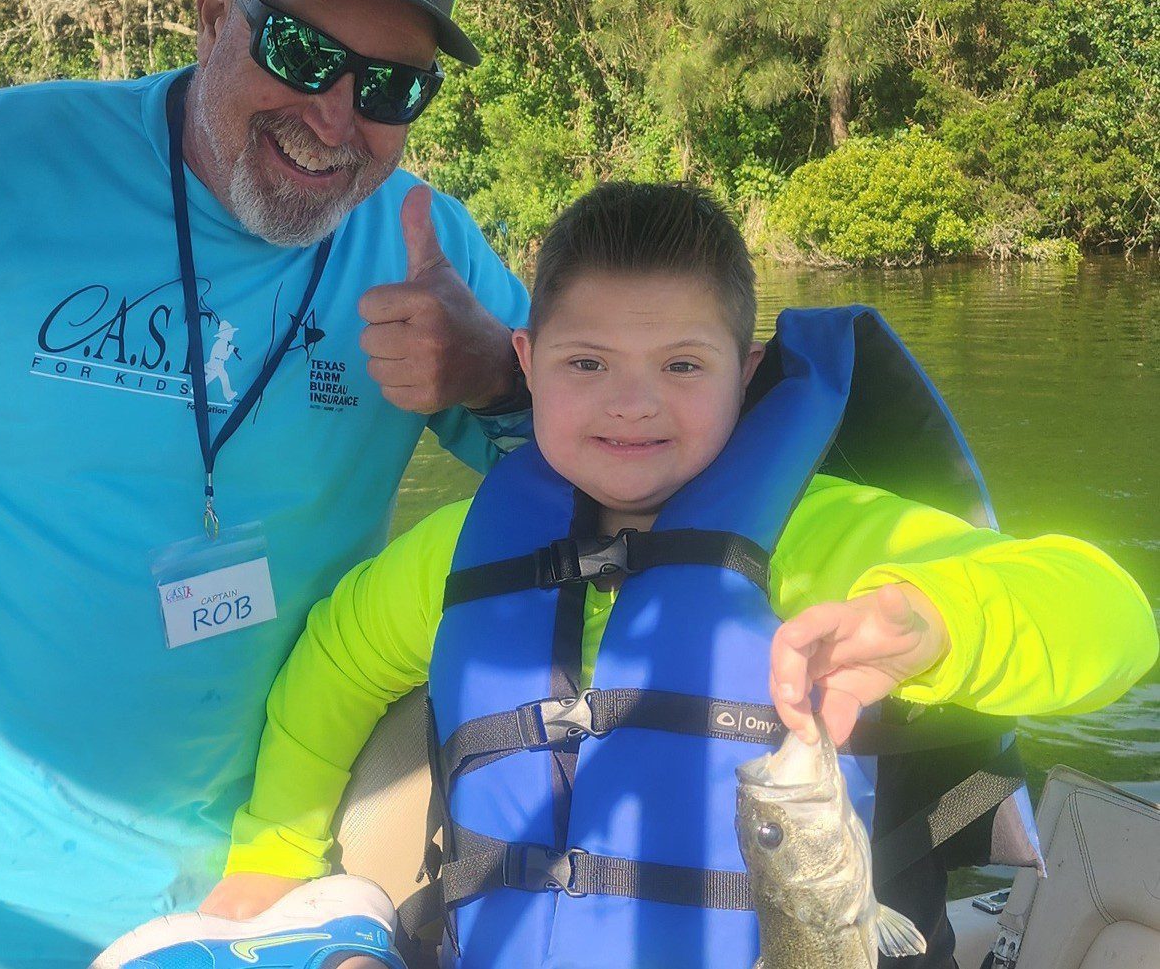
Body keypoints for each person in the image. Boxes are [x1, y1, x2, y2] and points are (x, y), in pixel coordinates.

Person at [0, 0, 534, 965]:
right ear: (213, 11)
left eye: (392, 87)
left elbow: (603, 496)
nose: (334, 115)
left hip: (259, 904)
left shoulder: (425, 251)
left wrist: (498, 380)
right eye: (301, 52)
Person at [200, 183, 1155, 968]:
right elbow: (334, 665)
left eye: (682, 366)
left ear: (746, 373)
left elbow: (1112, 615)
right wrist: (272, 852)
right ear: (525, 363)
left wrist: (933, 620)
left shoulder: (821, 539)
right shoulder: (457, 552)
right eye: (586, 362)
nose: (632, 403)